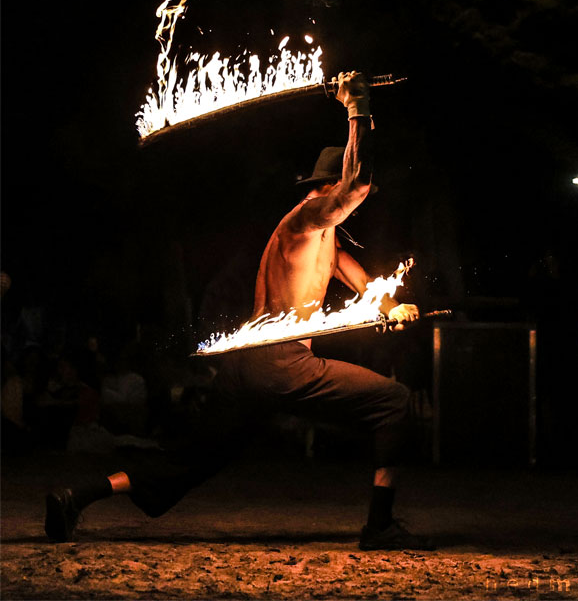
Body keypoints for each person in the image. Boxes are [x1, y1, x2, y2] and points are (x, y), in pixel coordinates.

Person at [45, 71, 433, 550]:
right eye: (355, 191)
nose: (365, 200)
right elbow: (356, 186)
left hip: (248, 369)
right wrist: (357, 108)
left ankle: (75, 497)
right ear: (329, 184)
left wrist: (395, 306)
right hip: (285, 366)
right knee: (393, 401)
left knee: (191, 460)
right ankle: (380, 526)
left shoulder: (326, 242)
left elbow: (367, 286)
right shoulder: (305, 219)